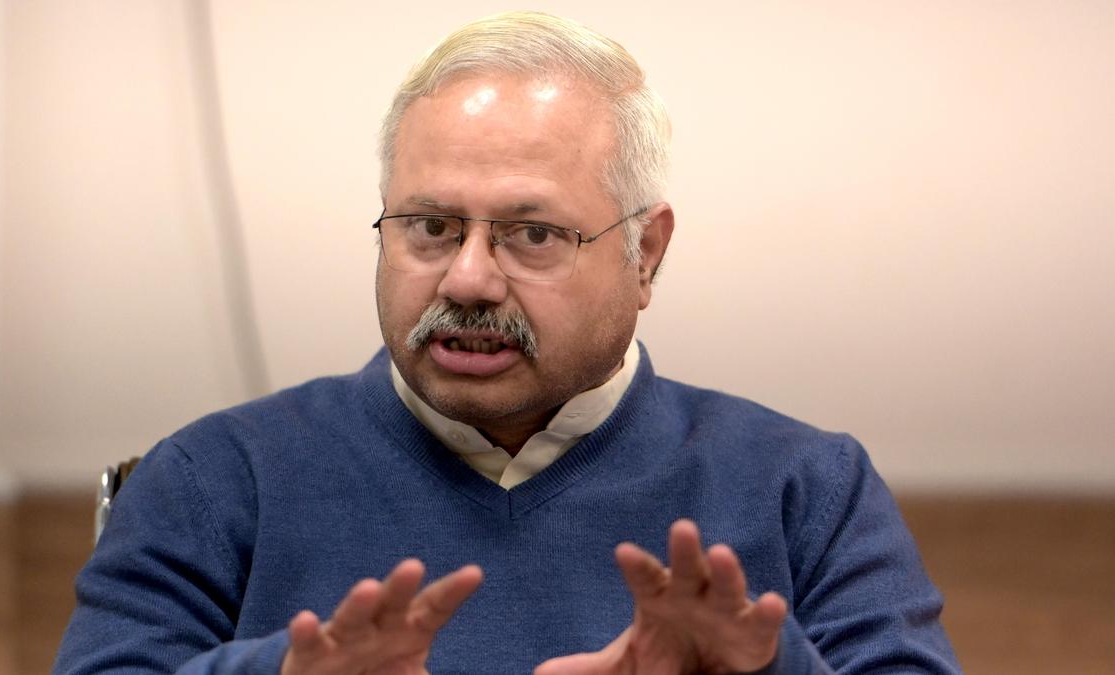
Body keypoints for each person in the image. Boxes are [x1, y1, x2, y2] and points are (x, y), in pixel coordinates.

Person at [54, 11, 960, 675]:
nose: (468, 280)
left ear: (646, 252)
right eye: (430, 226)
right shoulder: (215, 478)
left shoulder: (808, 486)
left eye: (532, 234)